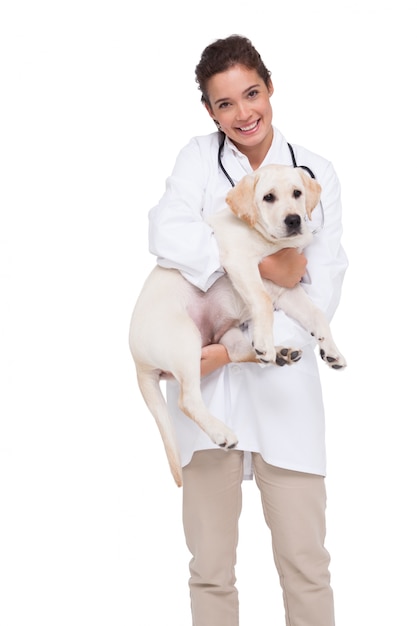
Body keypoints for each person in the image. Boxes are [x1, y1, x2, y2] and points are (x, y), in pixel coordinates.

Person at [147, 34, 348, 626]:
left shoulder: (316, 172)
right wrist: (262, 266)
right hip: (205, 388)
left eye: (251, 93)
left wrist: (238, 346)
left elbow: (321, 280)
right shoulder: (195, 159)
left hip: (282, 390)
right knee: (210, 569)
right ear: (210, 112)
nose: (244, 113)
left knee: (306, 563)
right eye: (225, 103)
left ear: (269, 87)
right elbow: (165, 235)